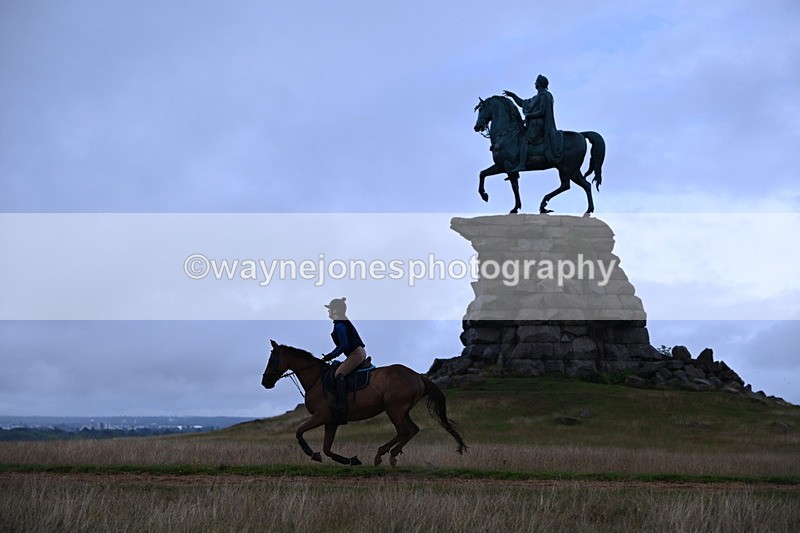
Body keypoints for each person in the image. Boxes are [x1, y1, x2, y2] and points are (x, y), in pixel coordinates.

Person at [503, 74, 563, 171]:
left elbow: (542, 111)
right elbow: (523, 103)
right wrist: (513, 96)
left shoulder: (545, 95)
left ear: (540, 84)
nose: (535, 83)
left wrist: (529, 115)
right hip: (532, 124)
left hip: (538, 125)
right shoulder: (536, 97)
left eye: (536, 82)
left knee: (524, 139)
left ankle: (522, 164)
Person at [322, 297, 367, 424]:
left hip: (355, 354)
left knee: (338, 374)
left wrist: (330, 356)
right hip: (355, 353)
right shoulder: (340, 323)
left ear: (336, 310)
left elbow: (344, 346)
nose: (329, 312)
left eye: (330, 309)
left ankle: (341, 404)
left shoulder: (340, 325)